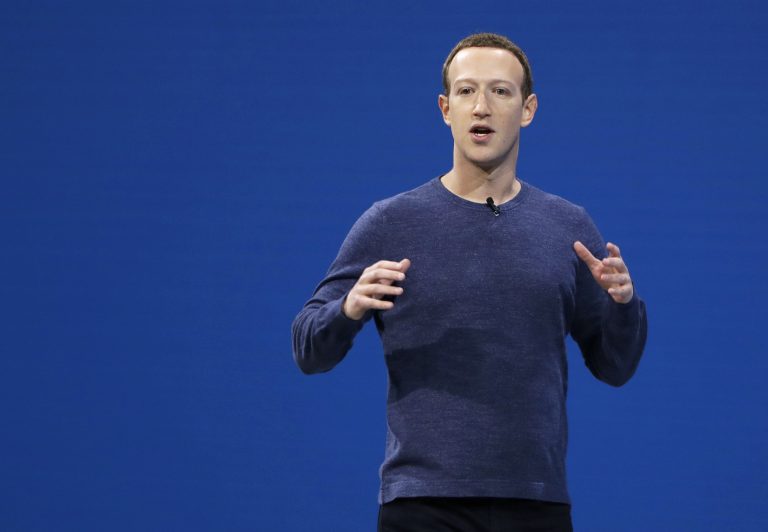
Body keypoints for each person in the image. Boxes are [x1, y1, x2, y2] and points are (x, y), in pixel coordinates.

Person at [291, 32, 648, 532]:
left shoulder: (568, 227)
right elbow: (308, 348)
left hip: (536, 503)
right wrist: (347, 309)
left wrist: (624, 306)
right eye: (466, 91)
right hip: (422, 505)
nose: (482, 106)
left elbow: (615, 366)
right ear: (445, 109)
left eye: (500, 91)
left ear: (528, 109)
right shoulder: (390, 222)